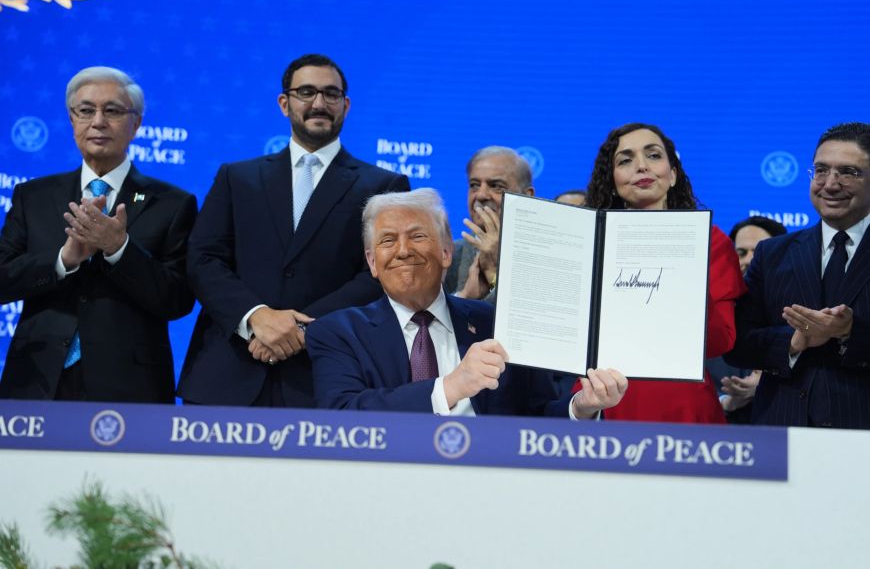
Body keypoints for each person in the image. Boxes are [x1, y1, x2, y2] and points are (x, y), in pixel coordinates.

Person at [178, 54, 409, 407]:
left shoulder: (383, 185)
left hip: (326, 378)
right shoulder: (236, 178)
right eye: (306, 92)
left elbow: (380, 274)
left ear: (345, 105)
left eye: (331, 94)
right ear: (284, 103)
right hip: (229, 373)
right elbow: (203, 259)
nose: (319, 103)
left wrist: (303, 329)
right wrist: (255, 317)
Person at [307, 188, 627, 417]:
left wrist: (581, 407)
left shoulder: (498, 324)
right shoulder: (338, 332)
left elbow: (538, 415)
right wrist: (450, 387)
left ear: (447, 252)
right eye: (388, 240)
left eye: (418, 236)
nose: (403, 251)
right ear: (372, 262)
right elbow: (341, 414)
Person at [0, 66, 197, 402]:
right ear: (72, 119)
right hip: (37, 379)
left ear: (136, 124)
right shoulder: (33, 196)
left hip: (129, 386)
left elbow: (178, 300)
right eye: (86, 110)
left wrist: (119, 248)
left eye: (113, 111)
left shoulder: (173, 203)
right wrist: (63, 260)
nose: (98, 122)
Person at [576, 123, 745, 423]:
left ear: (673, 175)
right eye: (625, 160)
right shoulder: (587, 242)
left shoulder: (710, 241)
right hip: (601, 396)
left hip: (683, 403)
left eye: (653, 155)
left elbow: (721, 340)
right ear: (612, 181)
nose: (641, 166)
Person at [726, 123, 870, 428]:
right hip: (782, 435)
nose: (830, 184)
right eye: (821, 170)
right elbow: (738, 344)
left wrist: (850, 332)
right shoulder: (772, 254)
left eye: (848, 172)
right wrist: (794, 340)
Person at [709, 216, 787, 422]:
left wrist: (766, 384)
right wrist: (726, 402)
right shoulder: (710, 317)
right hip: (716, 431)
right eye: (741, 253)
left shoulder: (797, 315)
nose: (749, 260)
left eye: (759, 252)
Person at [443, 146, 534, 302]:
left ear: (526, 196)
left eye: (496, 186)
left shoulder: (543, 257)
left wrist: (493, 274)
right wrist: (463, 297)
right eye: (474, 185)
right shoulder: (447, 256)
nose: (481, 195)